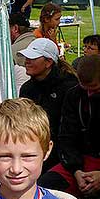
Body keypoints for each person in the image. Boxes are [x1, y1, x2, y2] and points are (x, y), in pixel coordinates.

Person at [38, 55, 100, 196]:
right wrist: (76, 170)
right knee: (45, 186)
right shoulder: (74, 95)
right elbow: (66, 136)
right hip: (82, 161)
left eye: (94, 88)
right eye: (84, 87)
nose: (89, 93)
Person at [19, 38, 77, 170]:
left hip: (61, 153)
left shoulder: (69, 87)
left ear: (48, 62)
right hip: (32, 146)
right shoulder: (27, 89)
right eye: (26, 57)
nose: (27, 61)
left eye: (32, 58)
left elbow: (69, 129)